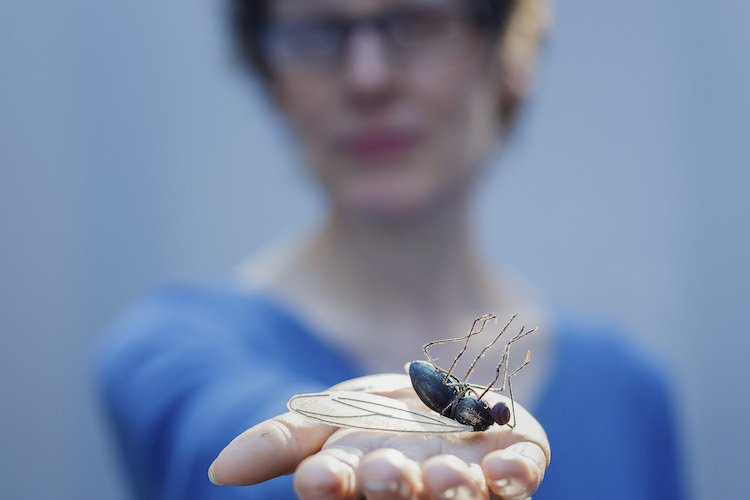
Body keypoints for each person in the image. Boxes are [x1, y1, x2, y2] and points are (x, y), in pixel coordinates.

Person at [96, 0, 684, 499]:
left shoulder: (628, 391)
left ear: (509, 57)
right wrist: (343, 439)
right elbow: (223, 431)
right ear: (274, 81)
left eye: (421, 21)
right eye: (317, 34)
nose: (367, 77)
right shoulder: (169, 349)